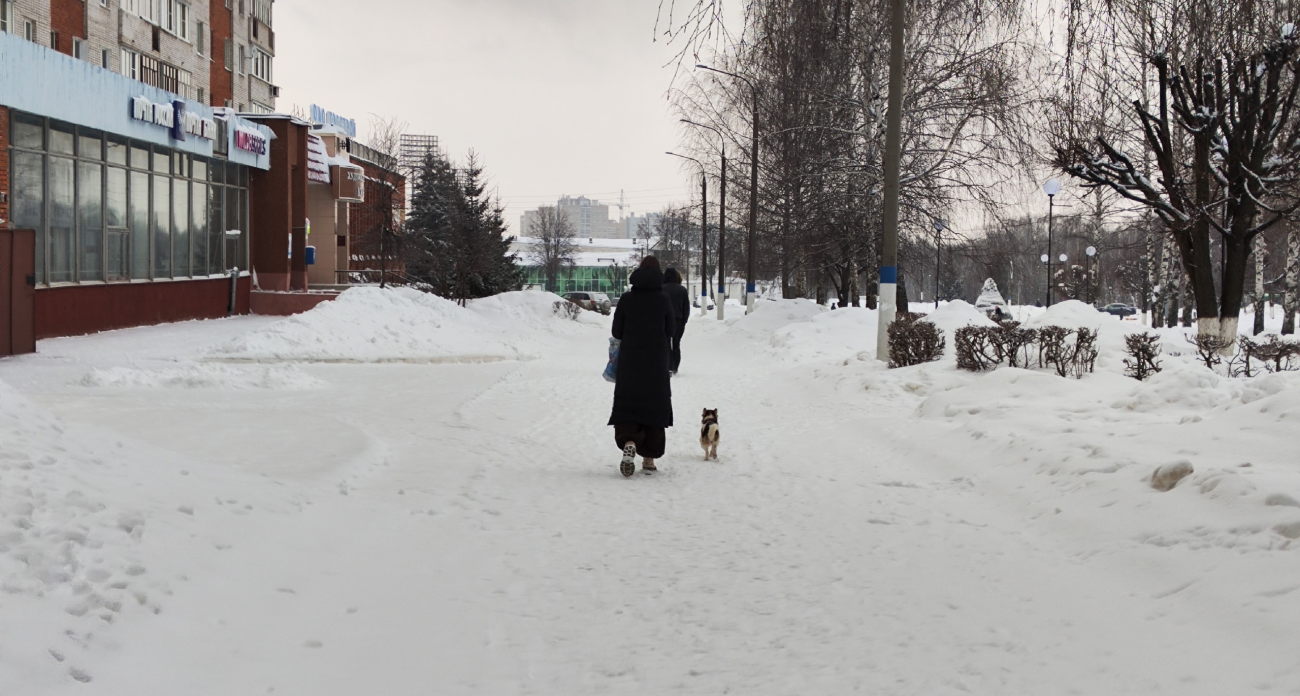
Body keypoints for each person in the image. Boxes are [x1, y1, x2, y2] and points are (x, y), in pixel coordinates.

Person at [609, 256, 676, 477]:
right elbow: (671, 329)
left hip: (630, 361)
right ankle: (649, 458)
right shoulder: (664, 299)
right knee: (654, 406)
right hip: (656, 361)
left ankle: (629, 441)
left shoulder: (627, 299)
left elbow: (617, 331)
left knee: (629, 404)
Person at [662, 268, 690, 375]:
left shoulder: (661, 289)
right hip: (678, 320)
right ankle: (675, 366)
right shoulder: (682, 290)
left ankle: (669, 365)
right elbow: (686, 307)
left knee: (667, 343)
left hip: (665, 320)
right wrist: (684, 321)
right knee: (676, 343)